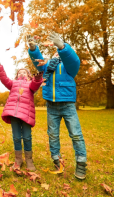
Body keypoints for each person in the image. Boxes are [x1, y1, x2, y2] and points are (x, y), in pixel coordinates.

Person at [27, 32, 87, 179]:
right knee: (53, 135)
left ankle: (81, 163)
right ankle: (56, 160)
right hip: (51, 106)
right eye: (55, 49)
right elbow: (38, 62)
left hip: (67, 105)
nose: (56, 52)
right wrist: (33, 49)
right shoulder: (47, 66)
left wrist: (62, 46)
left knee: (76, 134)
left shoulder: (69, 67)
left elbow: (74, 60)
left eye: (58, 49)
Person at [0, 57, 43, 171]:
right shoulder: (13, 83)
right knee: (16, 138)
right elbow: (4, 78)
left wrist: (37, 79)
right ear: (16, 75)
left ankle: (29, 160)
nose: (21, 73)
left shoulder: (30, 84)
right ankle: (18, 159)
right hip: (14, 113)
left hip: (26, 114)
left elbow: (35, 85)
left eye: (24, 72)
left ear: (29, 75)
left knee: (27, 137)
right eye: (19, 72)